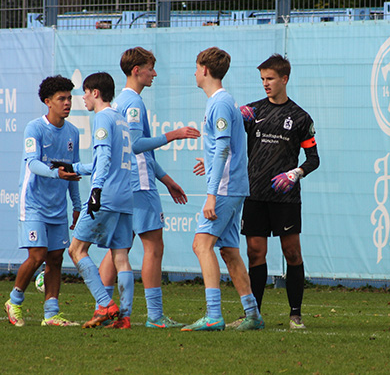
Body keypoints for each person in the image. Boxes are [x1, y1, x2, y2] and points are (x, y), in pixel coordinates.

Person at [98, 46, 201, 329]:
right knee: (153, 247)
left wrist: (167, 180)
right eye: (150, 68)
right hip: (138, 185)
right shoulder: (133, 103)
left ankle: (104, 309)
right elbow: (136, 146)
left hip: (122, 184)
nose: (154, 73)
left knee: (117, 249)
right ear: (136, 71)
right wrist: (174, 134)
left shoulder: (119, 102)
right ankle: (155, 316)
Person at [181, 47, 263, 332]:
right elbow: (223, 148)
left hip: (226, 189)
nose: (194, 73)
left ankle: (214, 315)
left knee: (201, 245)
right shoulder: (222, 102)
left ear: (204, 70)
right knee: (228, 251)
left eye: (195, 67)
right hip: (233, 184)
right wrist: (211, 161)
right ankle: (252, 314)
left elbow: (224, 146)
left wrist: (212, 193)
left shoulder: (219, 102)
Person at [235, 54, 320, 330]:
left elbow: (313, 158)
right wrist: (235, 117)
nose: (265, 84)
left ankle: (295, 315)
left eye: (270, 78)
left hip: (285, 198)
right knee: (255, 252)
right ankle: (253, 315)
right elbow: (228, 139)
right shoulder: (252, 112)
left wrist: (295, 174)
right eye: (262, 79)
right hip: (255, 194)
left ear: (285, 79)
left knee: (291, 252)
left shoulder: (300, 117)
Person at [5, 75, 81, 327]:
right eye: (62, 99)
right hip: (34, 203)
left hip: (58, 206)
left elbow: (72, 171)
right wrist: (55, 172)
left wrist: (77, 205)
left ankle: (51, 314)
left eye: (69, 98)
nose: (67, 103)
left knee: (56, 258)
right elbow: (33, 163)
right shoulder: (34, 128)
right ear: (48, 102)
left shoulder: (72, 132)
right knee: (37, 255)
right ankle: (14, 301)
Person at [68, 72, 134, 329]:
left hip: (105, 195)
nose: (82, 98)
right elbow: (99, 162)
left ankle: (105, 305)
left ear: (95, 93)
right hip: (124, 197)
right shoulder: (120, 119)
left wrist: (95, 189)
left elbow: (104, 157)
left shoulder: (102, 117)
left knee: (76, 250)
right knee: (121, 256)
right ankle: (125, 317)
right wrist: (74, 167)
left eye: (85, 92)